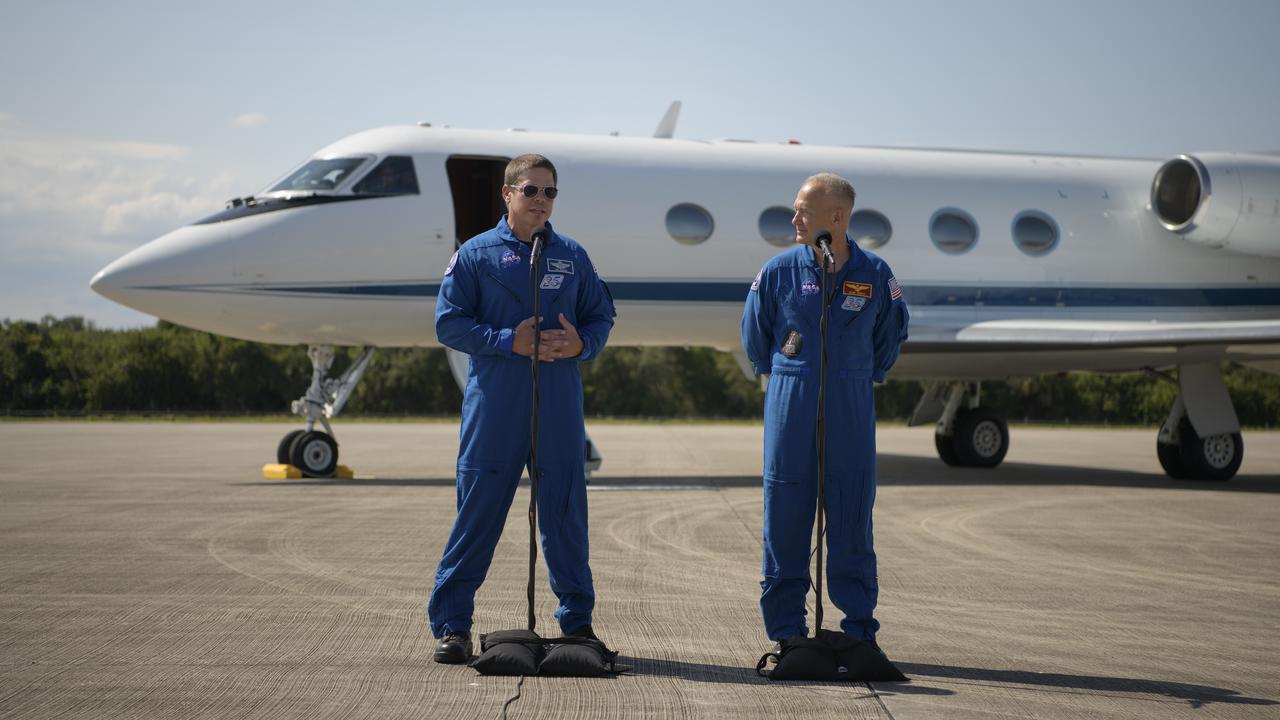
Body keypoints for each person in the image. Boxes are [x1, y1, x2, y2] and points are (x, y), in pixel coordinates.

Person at [428, 154, 616, 664]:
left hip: (558, 404)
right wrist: (507, 340)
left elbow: (602, 315)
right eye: (531, 190)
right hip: (497, 405)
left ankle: (577, 623)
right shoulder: (475, 255)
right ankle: (452, 625)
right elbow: (449, 324)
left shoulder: (573, 257)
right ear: (507, 194)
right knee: (478, 514)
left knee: (565, 516)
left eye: (550, 192)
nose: (541, 201)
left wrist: (582, 345)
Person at [740, 172, 909, 651]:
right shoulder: (778, 271)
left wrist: (854, 374)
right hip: (790, 403)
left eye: (803, 210)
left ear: (835, 217)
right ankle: (787, 634)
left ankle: (858, 632)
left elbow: (890, 336)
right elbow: (755, 333)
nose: (794, 218)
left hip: (850, 403)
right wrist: (785, 373)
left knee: (852, 515)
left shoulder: (876, 275)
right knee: (785, 519)